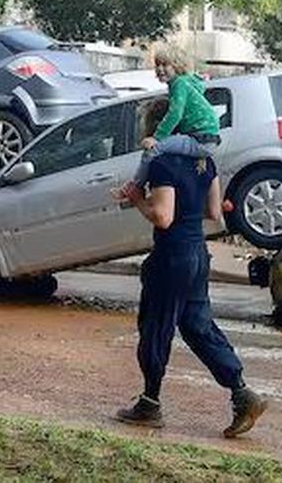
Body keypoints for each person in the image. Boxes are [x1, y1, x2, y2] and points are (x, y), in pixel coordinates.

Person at [114, 141, 268, 437]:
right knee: (198, 326)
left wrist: (137, 199)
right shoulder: (204, 160)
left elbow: (163, 216)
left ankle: (149, 403)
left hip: (171, 256)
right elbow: (213, 211)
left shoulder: (163, 164)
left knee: (156, 327)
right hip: (197, 254)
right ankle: (241, 392)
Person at [130, 48, 222, 186]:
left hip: (200, 138)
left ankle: (135, 186)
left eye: (165, 64)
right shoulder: (188, 83)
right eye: (157, 64)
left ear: (177, 66)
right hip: (209, 138)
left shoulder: (179, 84)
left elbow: (175, 114)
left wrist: (156, 137)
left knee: (152, 149)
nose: (160, 69)